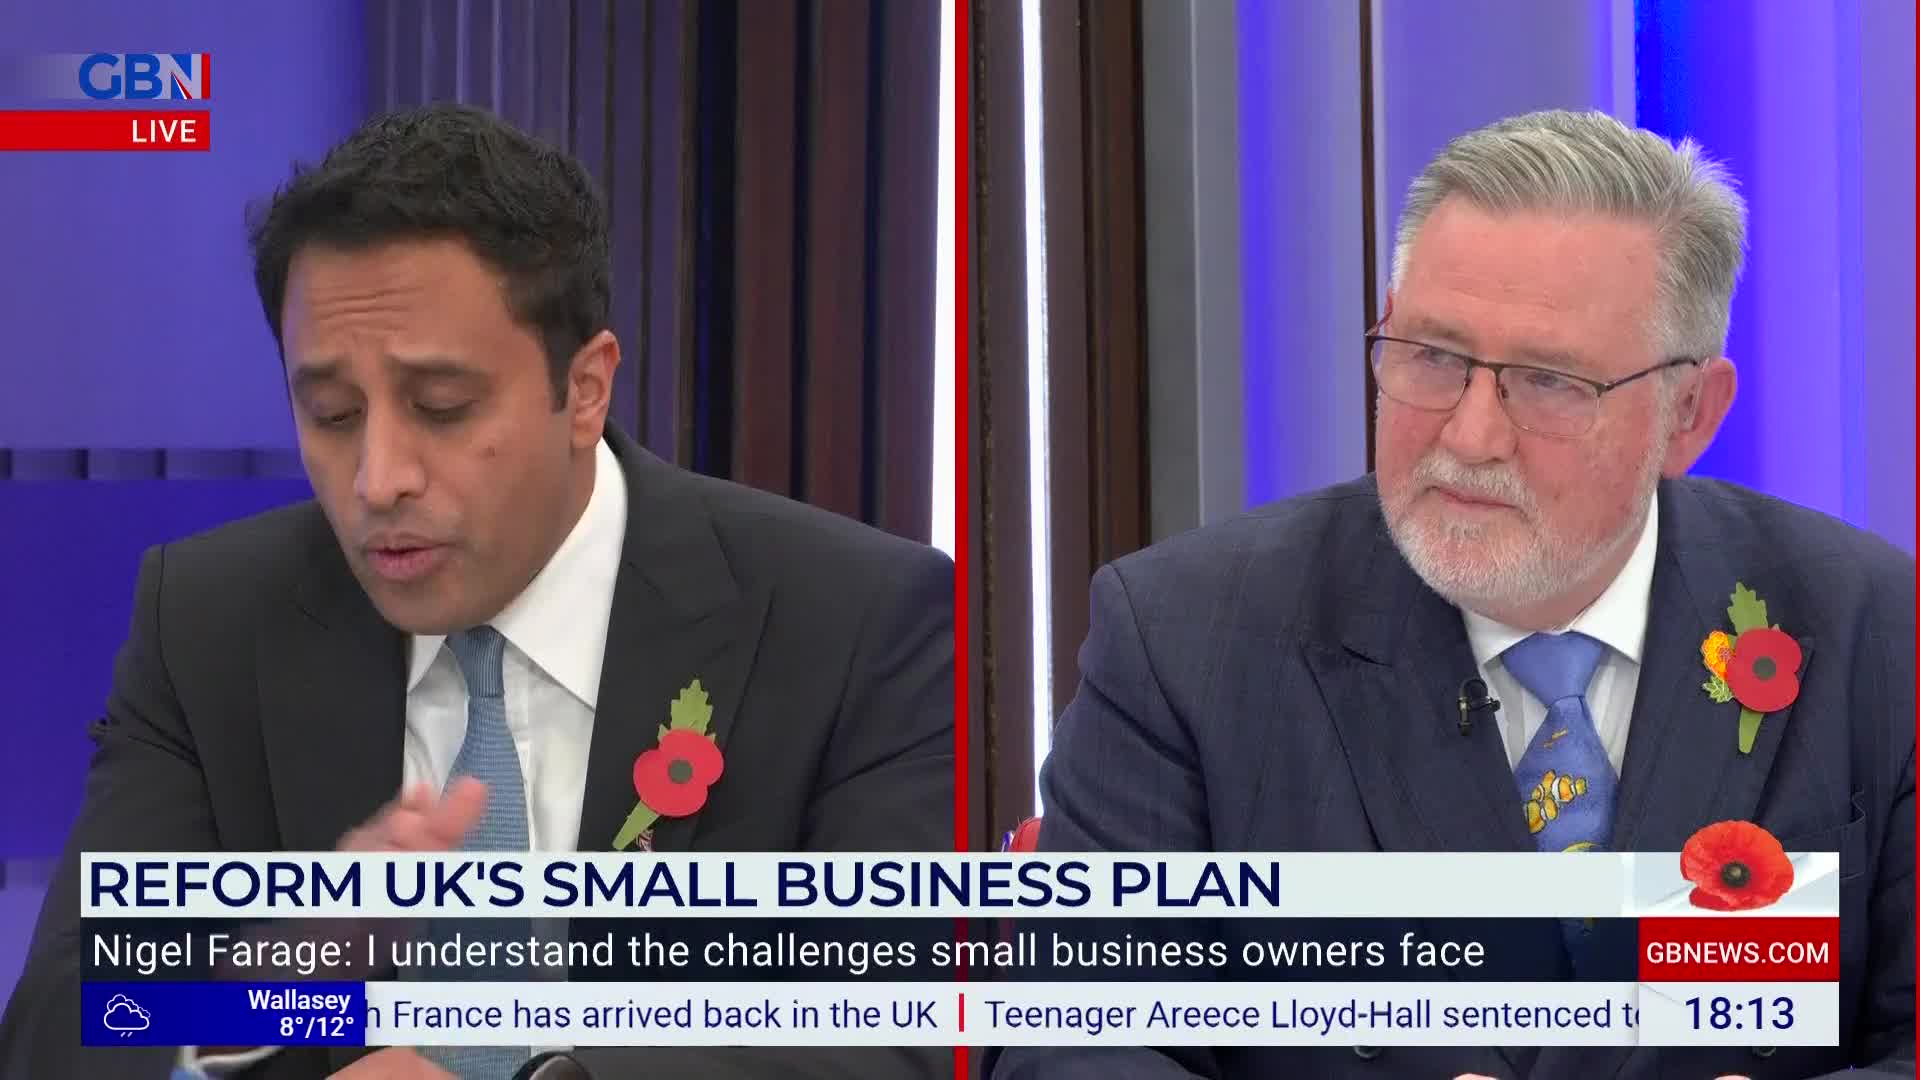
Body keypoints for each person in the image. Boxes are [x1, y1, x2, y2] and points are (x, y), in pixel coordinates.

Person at [0, 103, 953, 1079]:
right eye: (329, 413)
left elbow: (892, 1044)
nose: (378, 479)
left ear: (584, 390)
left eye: (442, 408)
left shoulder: (855, 622)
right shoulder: (207, 624)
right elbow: (50, 1038)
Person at [989, 111, 1912, 1079]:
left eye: (1548, 381)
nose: (1469, 436)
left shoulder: (1868, 629)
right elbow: (1080, 1044)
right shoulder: (1186, 637)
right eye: (1432, 356)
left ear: (1689, 415)